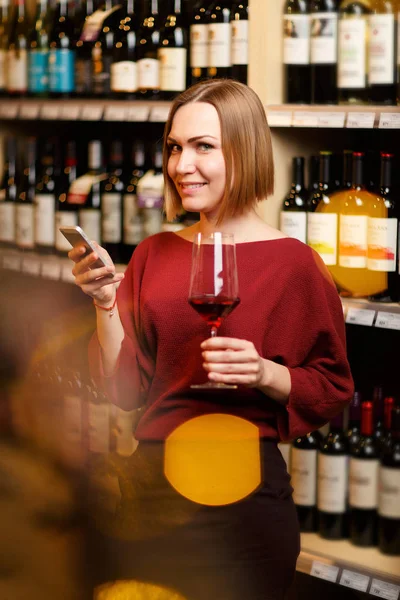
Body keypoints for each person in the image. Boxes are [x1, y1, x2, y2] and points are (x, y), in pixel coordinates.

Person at [69, 79, 354, 600]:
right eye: (175, 147)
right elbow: (124, 391)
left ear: (244, 152)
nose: (181, 165)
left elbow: (331, 385)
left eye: (203, 147)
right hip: (147, 494)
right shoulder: (154, 253)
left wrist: (265, 372)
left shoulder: (294, 264)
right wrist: (105, 302)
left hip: (242, 502)